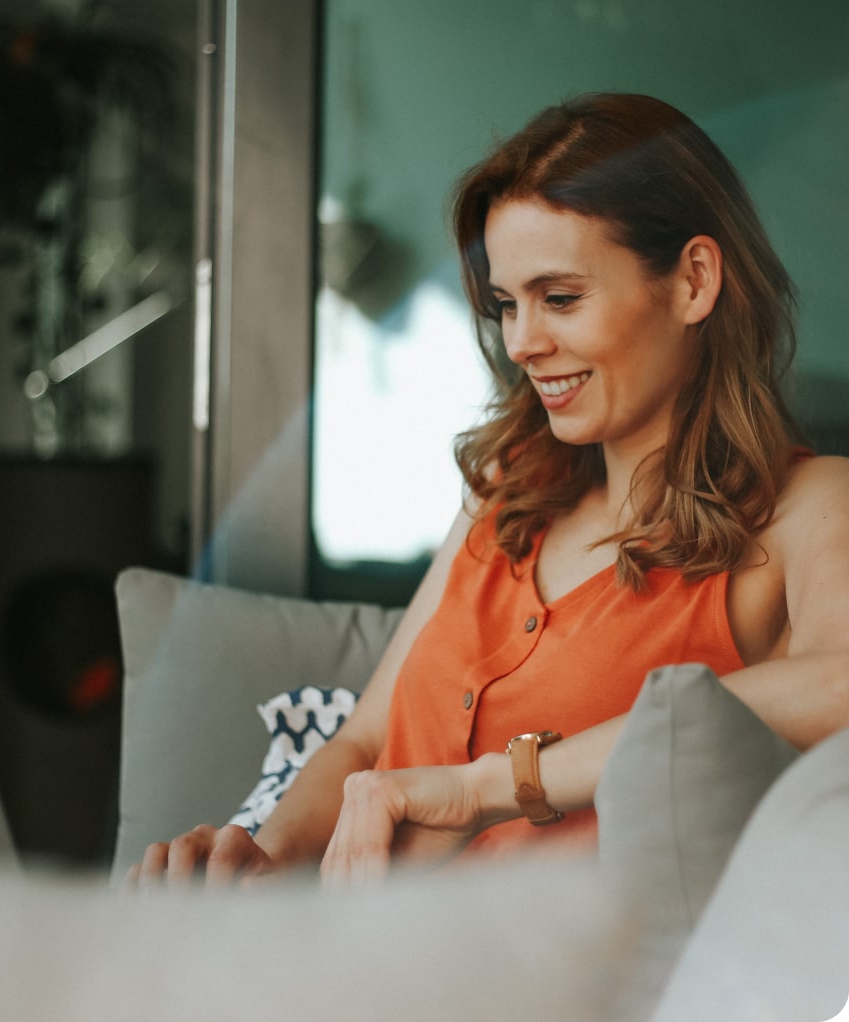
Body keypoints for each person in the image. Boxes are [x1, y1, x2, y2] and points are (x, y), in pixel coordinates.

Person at [130, 92, 849, 888]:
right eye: (507, 305)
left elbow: (839, 685)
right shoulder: (509, 491)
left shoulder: (805, 507)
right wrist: (256, 859)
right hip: (340, 956)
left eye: (561, 298)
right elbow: (367, 742)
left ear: (693, 281)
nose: (522, 343)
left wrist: (489, 789)